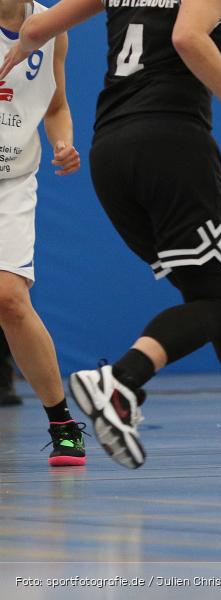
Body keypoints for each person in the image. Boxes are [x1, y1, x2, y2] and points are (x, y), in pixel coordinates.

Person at [0, 0, 221, 483]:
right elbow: (187, 38)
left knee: (219, 301)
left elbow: (38, 27)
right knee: (216, 301)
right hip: (171, 142)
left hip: (110, 156)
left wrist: (20, 50)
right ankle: (120, 381)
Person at [0, 0, 84, 466]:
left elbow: (55, 105)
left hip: (11, 181)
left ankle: (62, 423)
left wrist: (63, 142)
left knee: (9, 299)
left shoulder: (53, 25)